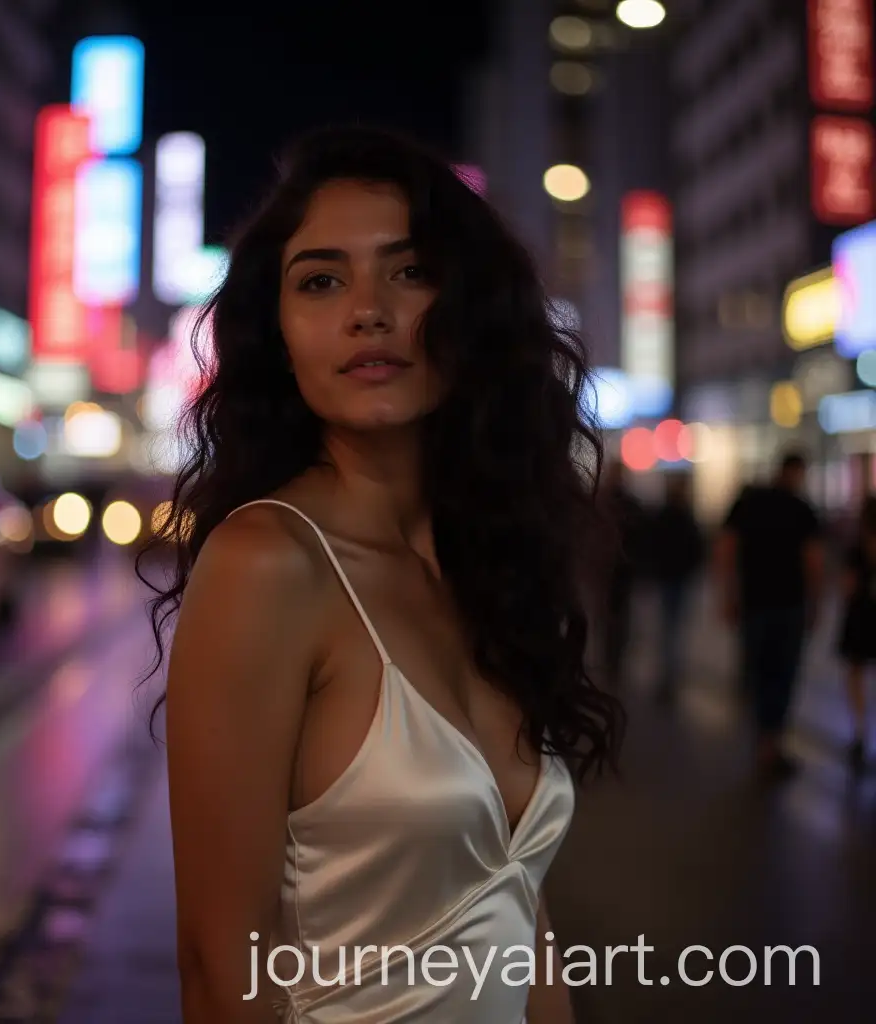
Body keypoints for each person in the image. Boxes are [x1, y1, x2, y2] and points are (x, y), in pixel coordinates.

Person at [141, 125, 625, 1023]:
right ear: (277, 333)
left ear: (470, 306)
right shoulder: (269, 565)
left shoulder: (490, 565)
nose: (368, 310)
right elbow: (219, 974)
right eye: (321, 280)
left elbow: (523, 919)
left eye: (409, 271)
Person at [715, 452, 824, 778]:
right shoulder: (802, 509)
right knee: (783, 675)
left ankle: (763, 742)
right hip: (789, 604)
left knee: (759, 672)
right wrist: (815, 604)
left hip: (755, 603)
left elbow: (725, 548)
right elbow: (813, 561)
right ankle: (770, 744)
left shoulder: (749, 503)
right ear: (797, 473)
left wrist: (728, 595)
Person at [650, 472, 704, 704]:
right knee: (672, 629)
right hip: (676, 577)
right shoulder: (682, 515)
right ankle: (669, 676)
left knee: (669, 628)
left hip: (671, 576)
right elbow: (695, 546)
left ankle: (668, 676)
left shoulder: (667, 515)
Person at [835, 495, 876, 773]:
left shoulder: (858, 548)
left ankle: (860, 732)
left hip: (862, 616)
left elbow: (848, 586)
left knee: (856, 673)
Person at [600, 460, 648, 688]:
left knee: (611, 617)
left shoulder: (603, 502)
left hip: (611, 570)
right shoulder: (623, 504)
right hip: (615, 570)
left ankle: (611, 659)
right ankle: (612, 659)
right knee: (617, 618)